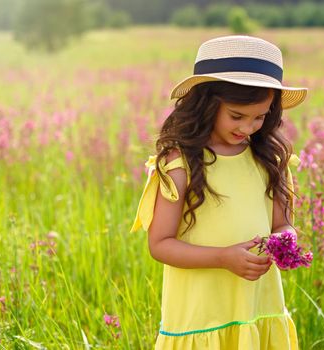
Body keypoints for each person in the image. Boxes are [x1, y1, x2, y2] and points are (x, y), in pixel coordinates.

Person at [130, 35, 307, 349]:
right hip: (200, 314)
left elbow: (282, 224)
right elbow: (160, 244)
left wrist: (286, 241)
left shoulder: (270, 159)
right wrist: (223, 258)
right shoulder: (179, 163)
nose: (249, 127)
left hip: (257, 308)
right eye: (237, 116)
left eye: (260, 117)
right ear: (206, 104)